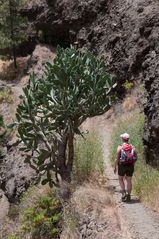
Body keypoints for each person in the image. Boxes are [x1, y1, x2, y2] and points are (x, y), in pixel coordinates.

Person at [114, 133, 137, 202]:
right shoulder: (133, 147)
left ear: (122, 139)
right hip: (130, 165)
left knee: (120, 179)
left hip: (122, 165)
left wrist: (115, 167)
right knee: (129, 180)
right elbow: (135, 158)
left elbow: (117, 158)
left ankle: (123, 192)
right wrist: (133, 164)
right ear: (128, 139)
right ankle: (129, 195)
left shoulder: (120, 147)